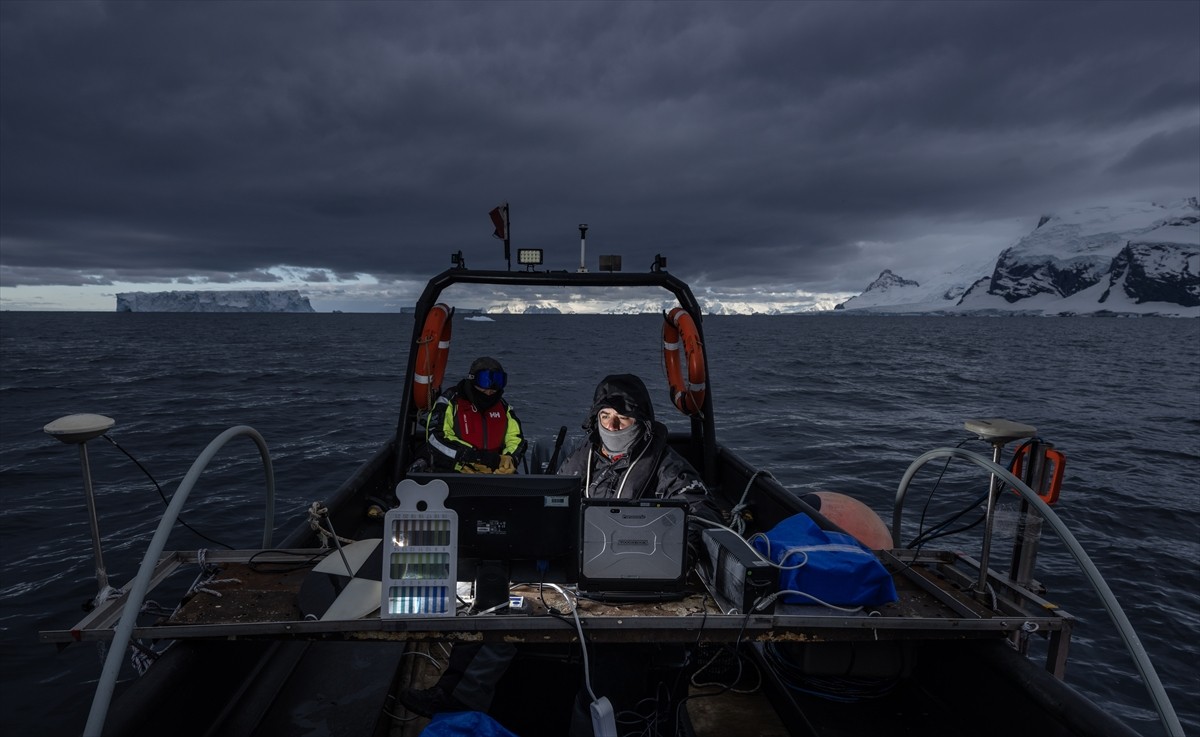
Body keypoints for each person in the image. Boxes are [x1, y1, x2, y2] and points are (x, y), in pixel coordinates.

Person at [399, 374, 721, 733]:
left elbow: (701, 514)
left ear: (642, 421)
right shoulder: (581, 457)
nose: (613, 426)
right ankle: (456, 696)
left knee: (616, 656)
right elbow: (548, 501)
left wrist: (675, 553)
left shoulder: (667, 465)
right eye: (605, 417)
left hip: (631, 586)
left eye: (623, 419)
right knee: (499, 607)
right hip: (569, 574)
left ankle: (604, 724)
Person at [426, 356, 526, 473]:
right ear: (472, 379)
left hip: (496, 475)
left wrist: (510, 459)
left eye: (498, 381)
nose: (489, 391)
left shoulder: (503, 407)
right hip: (454, 472)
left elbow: (516, 439)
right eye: (484, 380)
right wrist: (471, 458)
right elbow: (435, 439)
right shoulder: (450, 401)